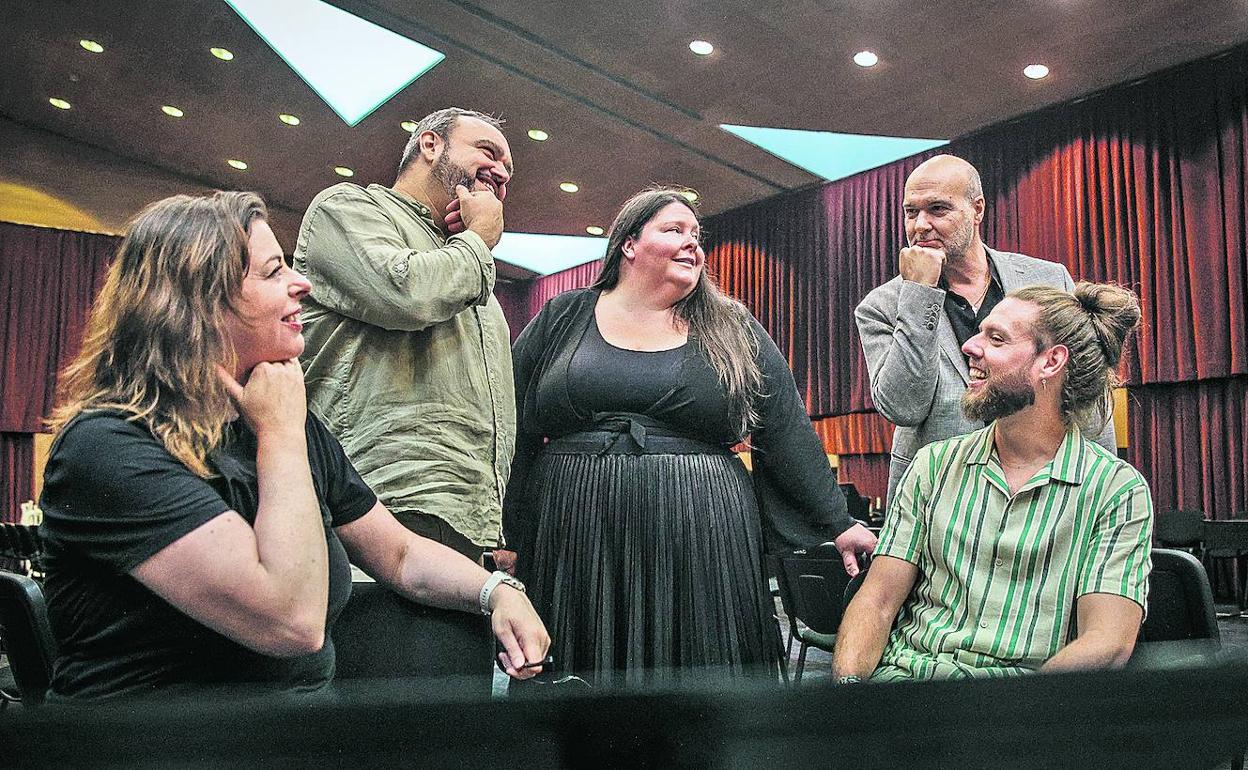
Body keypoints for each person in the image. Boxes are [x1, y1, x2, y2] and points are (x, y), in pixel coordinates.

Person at [39, 191, 549, 700]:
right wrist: (280, 435)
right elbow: (292, 622)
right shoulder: (109, 446)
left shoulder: (280, 422)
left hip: (287, 736)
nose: (300, 284)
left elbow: (400, 554)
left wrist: (497, 591)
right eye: (272, 272)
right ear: (199, 304)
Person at [503, 187, 877, 686]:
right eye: (674, 230)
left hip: (702, 530)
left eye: (697, 236)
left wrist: (836, 520)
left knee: (703, 675)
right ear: (628, 244)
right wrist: (503, 529)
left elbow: (785, 427)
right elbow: (511, 428)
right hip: (574, 528)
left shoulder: (730, 325)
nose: (693, 245)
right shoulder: (562, 316)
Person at [832, 282, 1151, 682]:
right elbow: (876, 601)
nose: (970, 345)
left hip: (1023, 716)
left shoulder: (1116, 490)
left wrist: (1003, 722)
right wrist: (850, 698)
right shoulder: (932, 465)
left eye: (996, 338)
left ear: (1050, 362)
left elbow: (1108, 642)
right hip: (904, 693)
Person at [295, 107, 515, 564]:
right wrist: (478, 240)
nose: (500, 172)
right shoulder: (347, 208)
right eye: (488, 152)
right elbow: (406, 294)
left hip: (470, 524)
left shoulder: (477, 279)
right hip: (375, 505)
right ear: (430, 145)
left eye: (509, 171)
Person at [855, 155, 1117, 503]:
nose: (920, 225)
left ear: (977, 210)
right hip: (941, 498)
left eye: (937, 209)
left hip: (1047, 488)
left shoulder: (1049, 279)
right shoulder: (880, 306)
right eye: (911, 212)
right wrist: (919, 294)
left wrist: (1106, 483)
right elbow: (904, 408)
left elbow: (1088, 391)